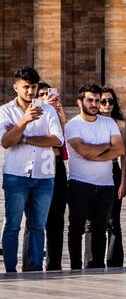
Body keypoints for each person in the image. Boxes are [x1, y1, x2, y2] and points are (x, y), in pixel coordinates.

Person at [2, 66, 63, 273]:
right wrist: (24, 120)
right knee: (12, 225)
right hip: (16, 175)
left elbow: (57, 140)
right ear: (16, 88)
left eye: (34, 87)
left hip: (44, 176)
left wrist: (25, 137)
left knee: (37, 227)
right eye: (26, 87)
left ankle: (34, 268)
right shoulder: (5, 111)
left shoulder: (49, 111)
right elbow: (6, 142)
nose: (30, 91)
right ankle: (10, 269)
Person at [63, 84, 123, 270]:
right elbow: (83, 151)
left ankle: (95, 266)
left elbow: (120, 149)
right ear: (79, 102)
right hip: (79, 183)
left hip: (105, 184)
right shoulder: (72, 125)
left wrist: (93, 151)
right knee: (76, 227)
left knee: (100, 229)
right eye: (90, 100)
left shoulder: (109, 123)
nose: (95, 104)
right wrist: (106, 147)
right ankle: (75, 266)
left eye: (97, 100)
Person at [36, 83, 69, 270]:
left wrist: (60, 115)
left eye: (48, 94)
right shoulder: (32, 114)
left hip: (57, 165)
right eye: (41, 94)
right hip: (39, 165)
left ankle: (54, 263)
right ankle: (33, 262)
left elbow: (62, 140)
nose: (46, 97)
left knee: (57, 218)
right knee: (37, 219)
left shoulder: (55, 114)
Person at [97, 86, 126, 267]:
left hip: (113, 170)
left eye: (110, 101)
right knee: (93, 220)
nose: (107, 105)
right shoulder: (92, 122)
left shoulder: (121, 125)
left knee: (113, 219)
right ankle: (93, 261)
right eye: (103, 101)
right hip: (94, 171)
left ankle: (115, 261)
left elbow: (124, 157)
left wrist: (123, 182)